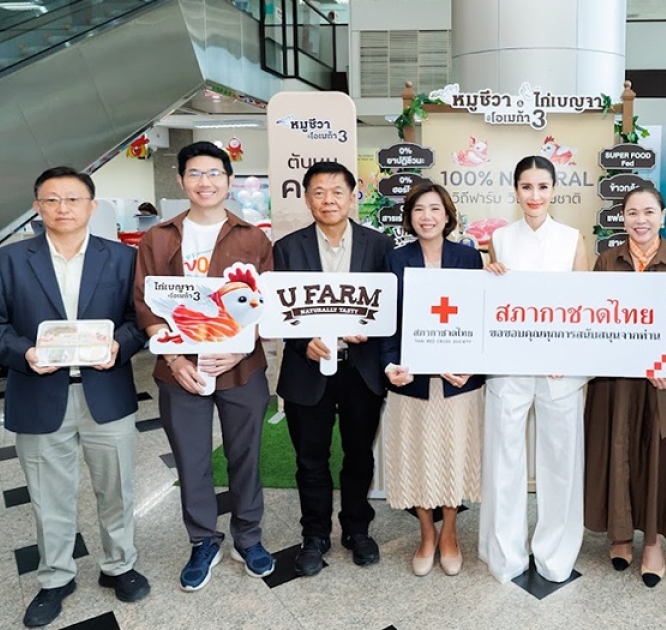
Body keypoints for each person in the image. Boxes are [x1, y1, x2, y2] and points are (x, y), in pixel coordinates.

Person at [0, 167, 150, 628]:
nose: (62, 208)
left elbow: (139, 321)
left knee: (117, 488)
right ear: (37, 207)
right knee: (48, 496)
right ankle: (55, 577)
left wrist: (120, 346)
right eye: (51, 200)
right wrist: (25, 353)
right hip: (37, 392)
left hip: (106, 393)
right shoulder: (8, 261)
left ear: (92, 206)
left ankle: (120, 565)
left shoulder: (123, 258)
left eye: (73, 199)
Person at [134, 141, 275, 591]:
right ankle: (202, 540)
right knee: (191, 458)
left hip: (241, 368)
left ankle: (248, 537)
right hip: (180, 371)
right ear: (181, 180)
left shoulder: (253, 238)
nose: (205, 182)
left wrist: (240, 349)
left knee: (245, 455)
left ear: (229, 181)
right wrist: (174, 358)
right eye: (195, 173)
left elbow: (266, 305)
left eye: (214, 173)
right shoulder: (158, 238)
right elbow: (144, 303)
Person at [584, 185, 666, 588]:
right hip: (615, 381)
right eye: (633, 212)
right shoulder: (607, 261)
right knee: (617, 451)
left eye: (649, 212)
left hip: (663, 379)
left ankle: (652, 542)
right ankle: (620, 534)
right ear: (623, 218)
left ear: (663, 216)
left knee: (657, 456)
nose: (641, 220)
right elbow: (591, 318)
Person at [274, 161, 393, 574]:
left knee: (359, 455)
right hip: (307, 370)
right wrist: (301, 342)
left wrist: (370, 331)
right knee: (311, 459)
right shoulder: (287, 248)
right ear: (307, 199)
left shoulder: (379, 246)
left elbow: (390, 307)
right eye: (319, 192)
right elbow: (277, 311)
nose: (329, 200)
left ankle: (357, 529)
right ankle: (315, 535)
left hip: (360, 369)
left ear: (352, 196)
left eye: (337, 191)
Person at [480, 155, 590, 584]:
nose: (534, 195)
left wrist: (571, 357)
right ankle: (505, 554)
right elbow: (490, 303)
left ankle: (556, 553)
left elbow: (584, 306)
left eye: (543, 186)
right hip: (509, 366)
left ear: (554, 190)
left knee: (561, 461)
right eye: (526, 187)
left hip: (559, 369)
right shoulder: (500, 239)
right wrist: (488, 275)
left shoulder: (572, 238)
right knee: (504, 460)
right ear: (515, 190)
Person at [382, 182, 485, 577]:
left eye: (435, 209)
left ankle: (450, 534)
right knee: (417, 458)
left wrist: (473, 365)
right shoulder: (395, 259)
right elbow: (387, 322)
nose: (427, 216)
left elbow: (480, 317)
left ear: (447, 216)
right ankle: (427, 533)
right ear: (409, 217)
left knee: (454, 457)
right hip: (412, 381)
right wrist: (389, 364)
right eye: (419, 209)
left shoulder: (468, 257)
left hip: (458, 381)